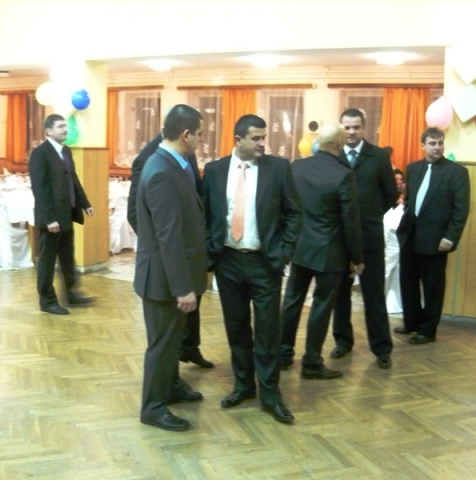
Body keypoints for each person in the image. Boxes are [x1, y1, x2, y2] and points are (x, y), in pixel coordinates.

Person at [202, 114, 301, 423]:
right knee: (237, 328)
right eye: (256, 138)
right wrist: (211, 252)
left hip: (264, 263)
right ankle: (244, 386)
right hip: (228, 262)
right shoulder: (215, 171)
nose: (262, 143)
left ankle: (270, 395)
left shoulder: (278, 168)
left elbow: (294, 214)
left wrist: (283, 253)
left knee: (268, 331)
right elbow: (206, 214)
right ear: (238, 140)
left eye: (263, 138)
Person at [134, 105, 208, 432]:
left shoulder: (170, 163)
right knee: (162, 345)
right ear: (186, 135)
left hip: (167, 276)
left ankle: (171, 388)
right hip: (163, 280)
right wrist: (182, 287)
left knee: (170, 341)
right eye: (200, 134)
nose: (201, 140)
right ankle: (153, 407)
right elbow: (168, 237)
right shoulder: (162, 171)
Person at [280, 122, 363, 379]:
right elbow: (350, 221)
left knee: (292, 301)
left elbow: (286, 206)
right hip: (330, 251)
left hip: (300, 247)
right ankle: (312, 362)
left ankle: (282, 354)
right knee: (321, 305)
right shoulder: (344, 175)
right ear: (339, 144)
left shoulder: (297, 167)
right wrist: (358, 257)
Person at [127, 131, 214, 369]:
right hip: (167, 257)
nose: (200, 139)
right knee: (165, 333)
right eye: (198, 132)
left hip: (188, 253)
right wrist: (159, 248)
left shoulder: (185, 154)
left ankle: (189, 349)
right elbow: (136, 212)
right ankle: (168, 381)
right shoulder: (151, 158)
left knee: (189, 312)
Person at [331, 108, 398, 369]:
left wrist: (370, 214)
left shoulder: (378, 156)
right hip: (339, 238)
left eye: (355, 127)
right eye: (346, 127)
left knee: (373, 295)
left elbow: (391, 194)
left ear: (364, 128)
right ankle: (342, 342)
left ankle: (382, 348)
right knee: (340, 295)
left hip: (369, 237)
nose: (351, 132)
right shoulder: (333, 154)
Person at [395, 127, 471, 344]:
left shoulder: (457, 172)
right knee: (408, 283)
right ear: (423, 145)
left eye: (440, 143)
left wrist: (451, 236)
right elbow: (409, 200)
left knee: (433, 288)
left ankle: (428, 330)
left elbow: (461, 209)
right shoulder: (413, 168)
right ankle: (411, 323)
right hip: (410, 236)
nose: (437, 147)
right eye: (432, 143)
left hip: (437, 240)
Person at [29, 114, 94, 315]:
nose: (65, 129)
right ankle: (47, 301)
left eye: (65, 126)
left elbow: (73, 179)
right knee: (47, 261)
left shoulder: (66, 151)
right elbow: (39, 189)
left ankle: (71, 294)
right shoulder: (40, 153)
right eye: (60, 127)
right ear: (48, 131)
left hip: (67, 215)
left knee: (67, 257)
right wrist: (49, 219)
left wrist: (84, 203)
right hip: (51, 219)